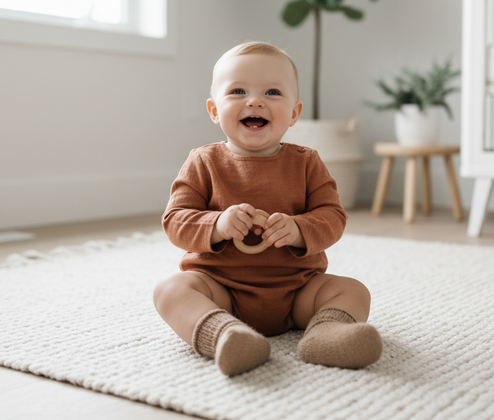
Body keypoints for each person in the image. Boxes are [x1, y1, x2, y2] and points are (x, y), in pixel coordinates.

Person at [153, 41, 382, 376]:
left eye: (272, 91)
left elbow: (333, 217)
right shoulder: (203, 162)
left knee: (352, 291)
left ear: (294, 113)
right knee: (169, 290)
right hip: (221, 290)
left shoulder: (307, 163)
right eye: (238, 91)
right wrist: (217, 225)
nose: (255, 101)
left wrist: (299, 229)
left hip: (297, 291)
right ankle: (226, 335)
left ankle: (325, 334)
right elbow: (175, 221)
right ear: (214, 110)